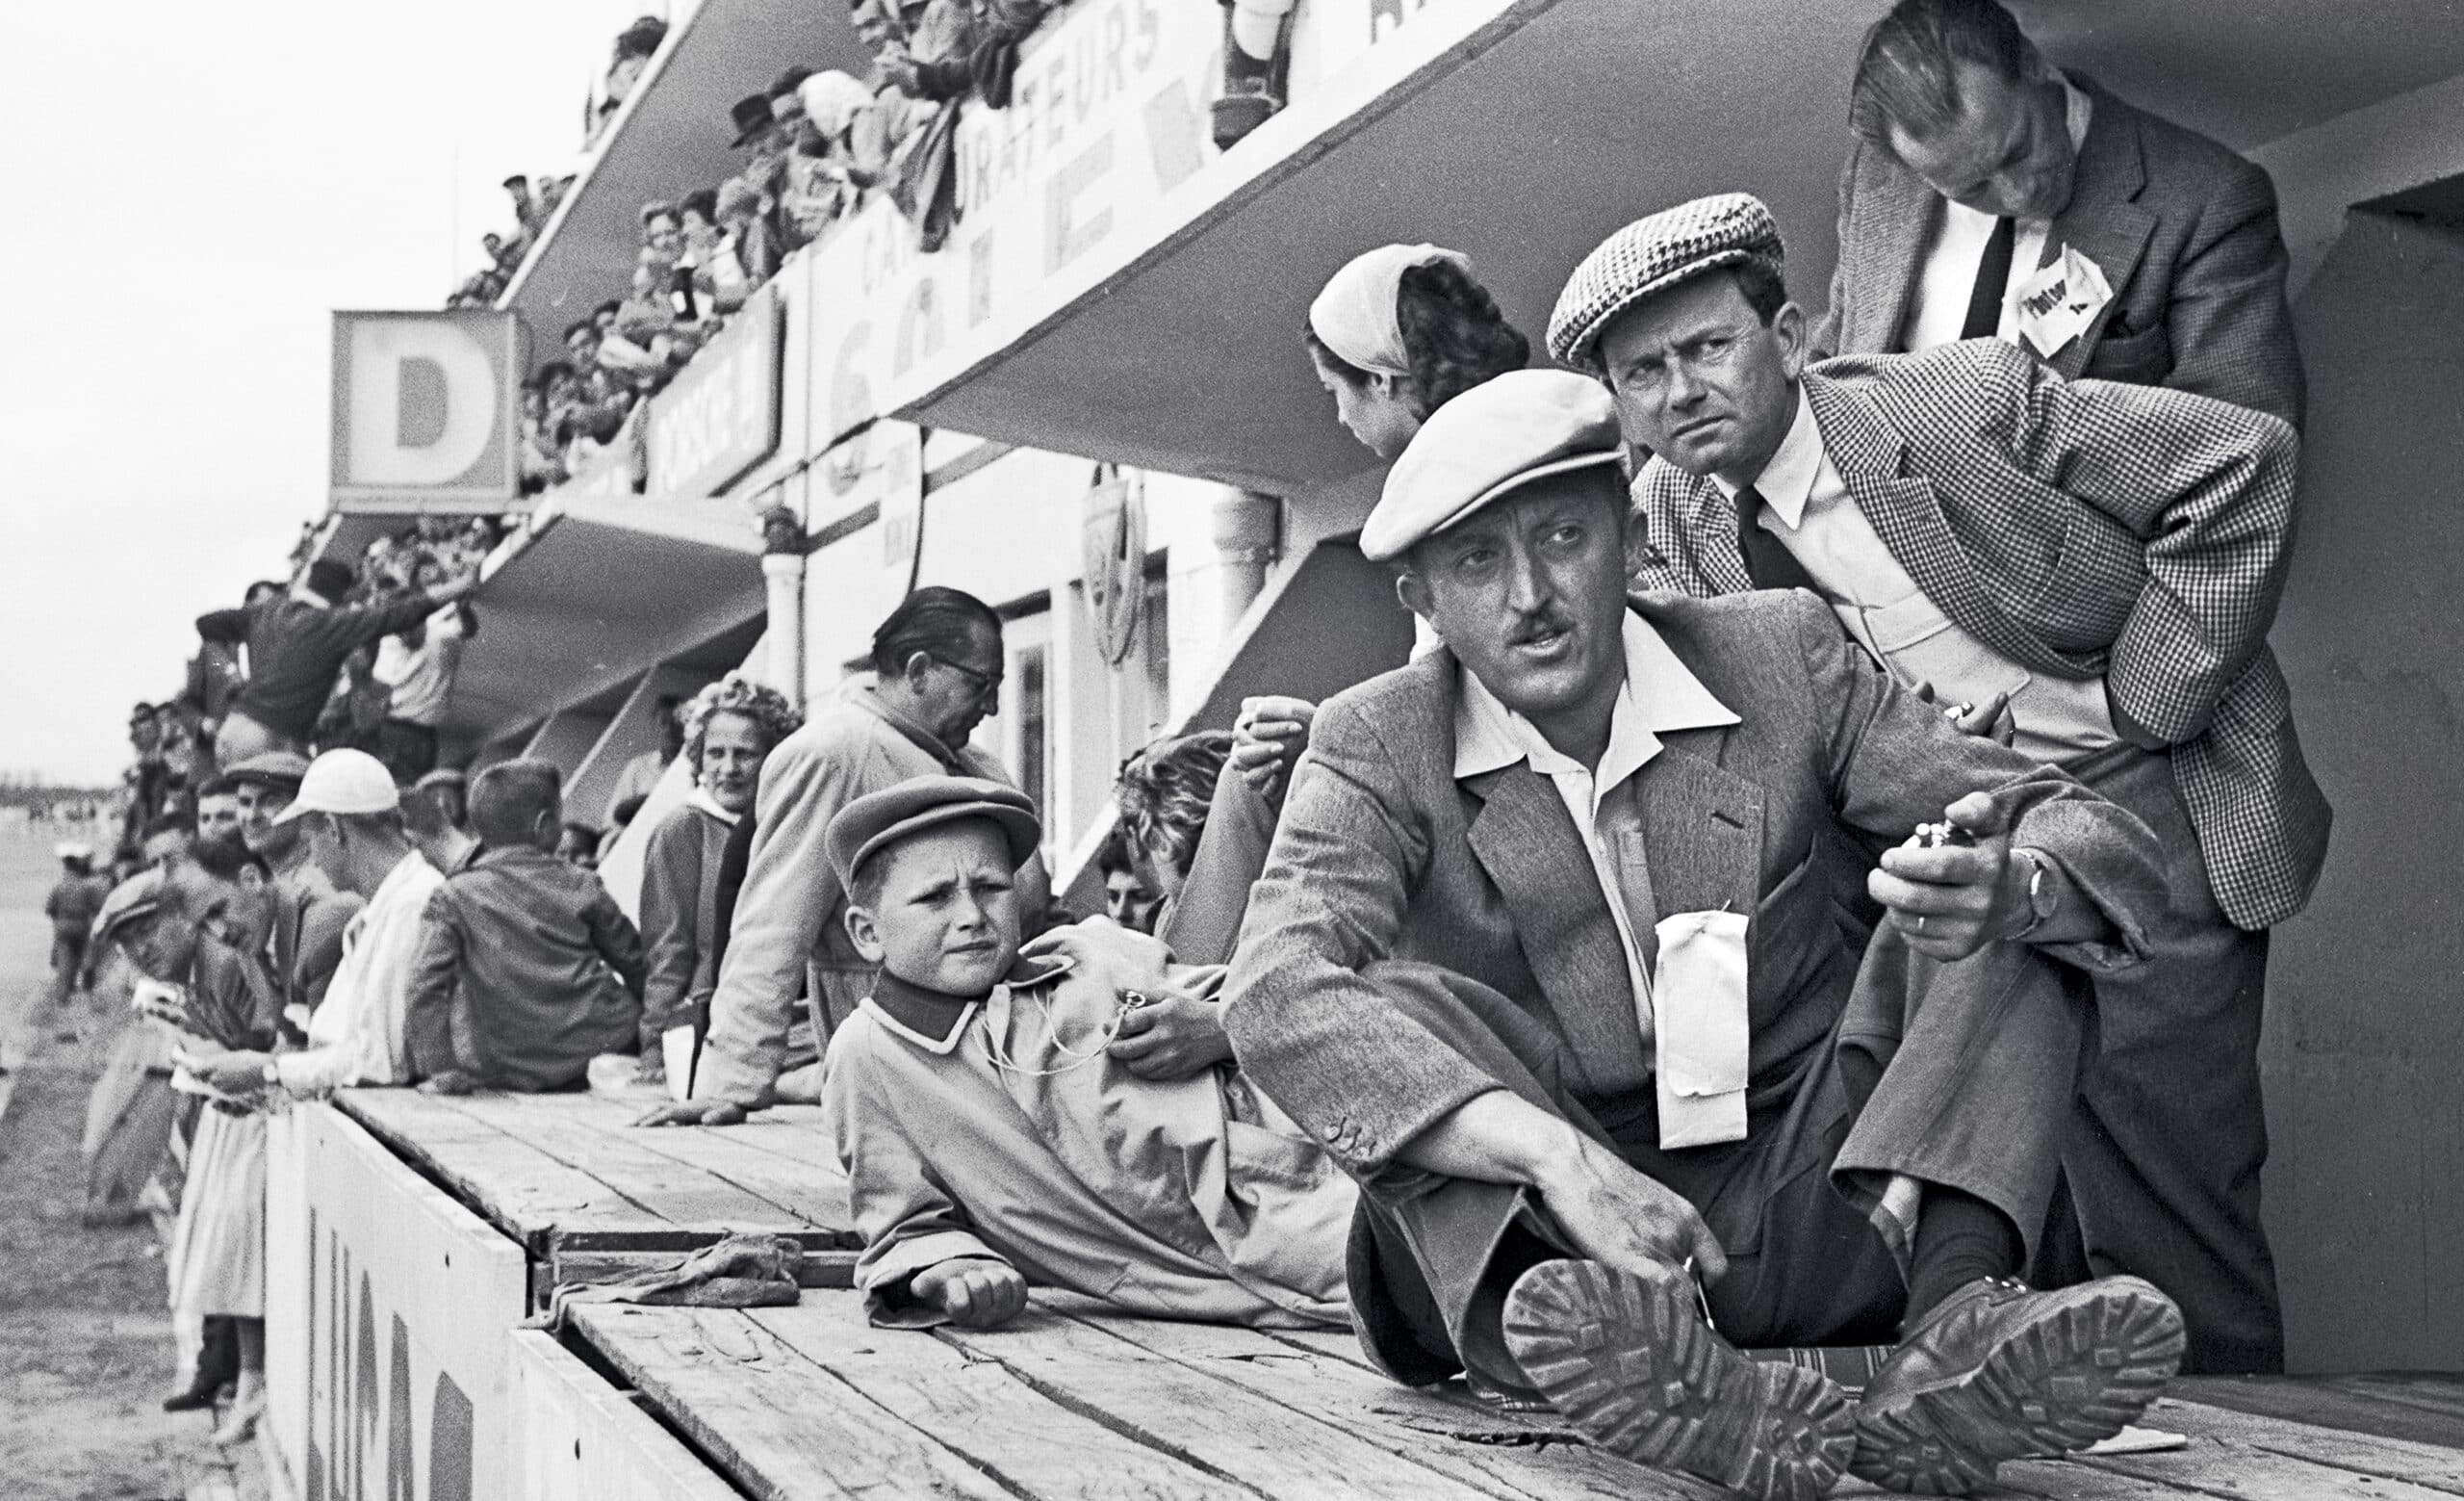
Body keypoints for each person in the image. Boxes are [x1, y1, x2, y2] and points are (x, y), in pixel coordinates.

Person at [1223, 368, 2184, 1499]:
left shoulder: (1780, 655)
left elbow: (2086, 827)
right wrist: (1556, 1158)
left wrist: (2012, 886)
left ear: (1628, 536)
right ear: (1420, 598)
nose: (1531, 593)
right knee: (1394, 996)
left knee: (1976, 902)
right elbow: (1273, 986)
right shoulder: (1374, 739)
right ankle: (1649, 1366)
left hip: (1808, 1206)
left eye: (1563, 536)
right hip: (1545, 1251)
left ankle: (1955, 1333)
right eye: (1479, 561)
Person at [1555, 193, 2323, 1375]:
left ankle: (2245, 1443)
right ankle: (2066, 1412)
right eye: (1641, 373)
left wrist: (2141, 699)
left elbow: (2239, 462)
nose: (1678, 392)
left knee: (2170, 1150)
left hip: (2144, 789)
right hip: (1941, 828)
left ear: (1792, 337)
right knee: (2016, 1158)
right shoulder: (1666, 511)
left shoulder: (1959, 402)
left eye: (1707, 347)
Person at [821, 777, 1354, 1331]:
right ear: (866, 932)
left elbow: (1279, 1004)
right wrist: (956, 1265)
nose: (972, 916)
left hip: (1317, 1157)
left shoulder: (1087, 953)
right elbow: (905, 1222)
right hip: (1230, 1260)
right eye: (935, 897)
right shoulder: (874, 1053)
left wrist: (1221, 1025)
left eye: (991, 887)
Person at [639, 587, 1049, 1126]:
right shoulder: (834, 753)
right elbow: (773, 924)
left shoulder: (980, 766)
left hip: (996, 1049)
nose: (993, 705)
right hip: (895, 1058)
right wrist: (733, 1080)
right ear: (920, 669)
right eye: (981, 684)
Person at [1813, 0, 2302, 427]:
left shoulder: (2210, 200)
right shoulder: (1876, 179)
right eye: (1971, 188)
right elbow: (1838, 351)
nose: (2017, 193)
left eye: (2018, 148)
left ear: (2032, 64)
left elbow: (2248, 461)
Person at [103, 857, 281, 1442]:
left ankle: (251, 1383)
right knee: (220, 1257)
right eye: (128, 943)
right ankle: (245, 1382)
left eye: (147, 931)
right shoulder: (184, 975)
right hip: (237, 1112)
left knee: (242, 1251)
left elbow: (269, 1042)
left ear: (180, 917)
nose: (141, 950)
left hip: (265, 1115)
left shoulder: (225, 961)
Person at [185, 750, 446, 1099]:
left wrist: (267, 1072)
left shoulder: (413, 904)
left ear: (335, 830)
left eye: (310, 842)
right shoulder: (385, 908)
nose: (314, 860)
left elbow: (379, 1061)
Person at [405, 762, 644, 1095]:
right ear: (544, 825)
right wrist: (654, 1038)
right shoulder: (581, 883)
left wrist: (442, 1068)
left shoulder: (453, 898)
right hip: (602, 1048)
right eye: (558, 818)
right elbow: (635, 963)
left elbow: (423, 987)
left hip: (510, 1067)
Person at [638, 677, 803, 1085]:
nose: (728, 769)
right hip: (714, 1022)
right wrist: (657, 1046)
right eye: (715, 753)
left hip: (788, 1018)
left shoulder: (789, 825)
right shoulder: (682, 829)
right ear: (697, 758)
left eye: (745, 754)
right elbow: (667, 948)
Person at [195, 560, 475, 766]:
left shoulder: (266, 613)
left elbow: (206, 625)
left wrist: (229, 674)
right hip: (268, 741)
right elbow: (400, 614)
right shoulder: (333, 624)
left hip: (231, 731)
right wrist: (460, 585)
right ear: (340, 595)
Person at [1306, 244, 1530, 461]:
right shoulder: (1550, 420)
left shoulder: (1426, 490)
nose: (1342, 418)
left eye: (1333, 389)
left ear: (1378, 378)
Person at [226, 752, 363, 1019]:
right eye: (244, 802)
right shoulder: (268, 886)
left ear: (302, 809)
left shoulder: (322, 881)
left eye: (269, 801)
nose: (252, 816)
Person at [372, 600, 474, 783]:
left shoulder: (389, 645)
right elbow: (467, 627)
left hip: (397, 729)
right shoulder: (439, 639)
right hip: (414, 734)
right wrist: (460, 603)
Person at [44, 844, 110, 1006]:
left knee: (65, 961)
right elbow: (97, 908)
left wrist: (58, 920)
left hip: (63, 925)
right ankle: (89, 996)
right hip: (82, 925)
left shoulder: (59, 886)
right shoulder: (86, 886)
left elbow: (49, 909)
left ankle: (63, 998)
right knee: (84, 958)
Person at [603, 700, 685, 827]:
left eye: (677, 723)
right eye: (663, 723)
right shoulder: (637, 767)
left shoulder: (697, 765)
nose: (670, 729)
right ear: (654, 727)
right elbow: (612, 820)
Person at [403, 768, 479, 876]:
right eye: (434, 798)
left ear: (462, 799)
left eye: (448, 797)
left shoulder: (479, 834)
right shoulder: (421, 846)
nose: (441, 804)